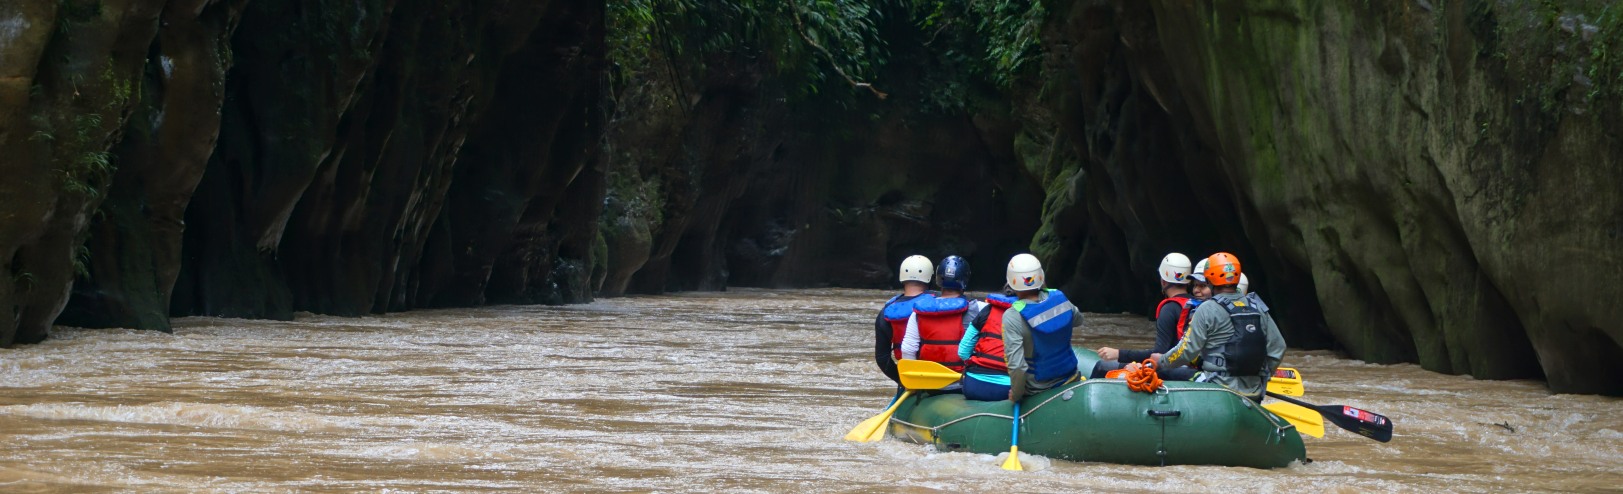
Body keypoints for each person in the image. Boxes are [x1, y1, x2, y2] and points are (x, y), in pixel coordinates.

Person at [1128, 252, 1286, 401]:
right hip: (1255, 390)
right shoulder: (1257, 306)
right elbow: (1278, 347)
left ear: (1209, 280)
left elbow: (1186, 350)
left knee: (1169, 371)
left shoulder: (1207, 309)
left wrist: (1161, 361)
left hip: (1218, 387)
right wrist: (1261, 378)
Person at [1093, 253, 1199, 380]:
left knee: (1102, 366)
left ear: (1163, 281)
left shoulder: (1169, 309)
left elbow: (1159, 353)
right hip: (1193, 366)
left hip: (1174, 369)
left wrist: (1119, 353)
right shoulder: (1198, 304)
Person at [1001, 253, 1082, 400]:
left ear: (1011, 282)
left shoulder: (1012, 317)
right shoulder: (1059, 298)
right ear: (1041, 276)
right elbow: (1077, 320)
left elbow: (1017, 367)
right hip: (1071, 376)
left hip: (1038, 390)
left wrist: (1017, 395)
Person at [901, 256, 974, 390]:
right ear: (965, 280)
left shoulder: (918, 312)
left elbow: (908, 349)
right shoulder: (978, 309)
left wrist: (913, 384)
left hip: (928, 382)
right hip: (964, 382)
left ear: (938, 279)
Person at [874, 255, 933, 385]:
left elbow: (882, 358)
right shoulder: (939, 303)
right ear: (930, 277)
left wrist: (902, 380)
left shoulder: (886, 311)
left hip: (909, 376)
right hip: (940, 374)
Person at [957, 288, 1016, 401]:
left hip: (973, 385)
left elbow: (963, 352)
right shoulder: (1029, 314)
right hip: (1006, 390)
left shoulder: (988, 310)